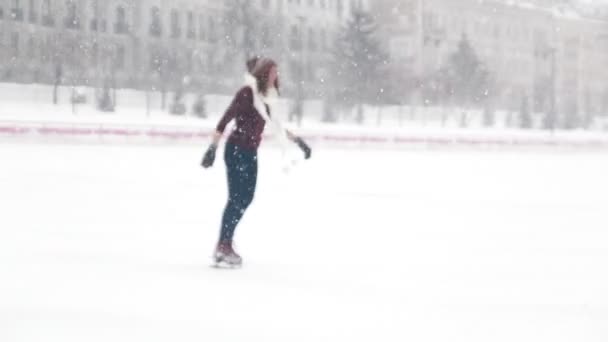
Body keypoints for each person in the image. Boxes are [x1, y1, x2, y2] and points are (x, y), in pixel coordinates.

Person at [201, 57, 312, 267]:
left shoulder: (265, 100)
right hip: (235, 150)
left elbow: (276, 126)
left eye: (276, 73)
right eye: (272, 73)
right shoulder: (247, 94)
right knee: (236, 198)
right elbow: (224, 120)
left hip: (250, 152)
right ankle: (223, 245)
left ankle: (225, 241)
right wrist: (212, 148)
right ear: (263, 74)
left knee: (246, 197)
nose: (275, 77)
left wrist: (299, 141)